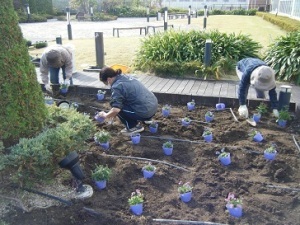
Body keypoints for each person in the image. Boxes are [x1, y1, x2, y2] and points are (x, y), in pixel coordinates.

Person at [97, 66, 158, 135]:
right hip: (154, 105)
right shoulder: (124, 77)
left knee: (119, 107)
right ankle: (148, 120)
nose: (107, 85)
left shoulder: (117, 86)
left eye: (105, 83)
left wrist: (105, 115)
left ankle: (133, 127)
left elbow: (116, 109)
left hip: (145, 112)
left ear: (109, 79)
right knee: (124, 101)